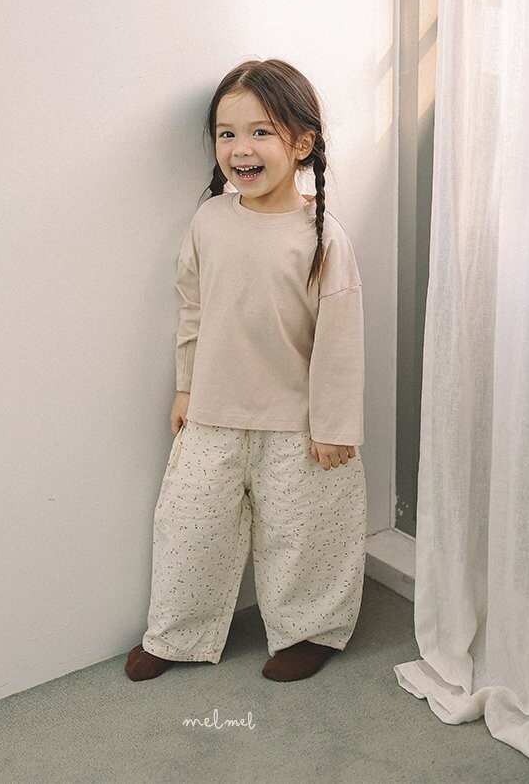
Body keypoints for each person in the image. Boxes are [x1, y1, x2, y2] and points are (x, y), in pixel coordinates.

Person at [125, 58, 367, 683]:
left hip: (300, 423)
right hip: (213, 411)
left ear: (302, 144)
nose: (240, 148)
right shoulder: (210, 221)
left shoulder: (322, 237)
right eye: (226, 133)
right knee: (190, 528)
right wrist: (185, 386)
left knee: (304, 534)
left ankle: (310, 630)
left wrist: (335, 426)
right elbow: (193, 308)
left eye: (261, 132)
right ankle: (177, 632)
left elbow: (340, 341)